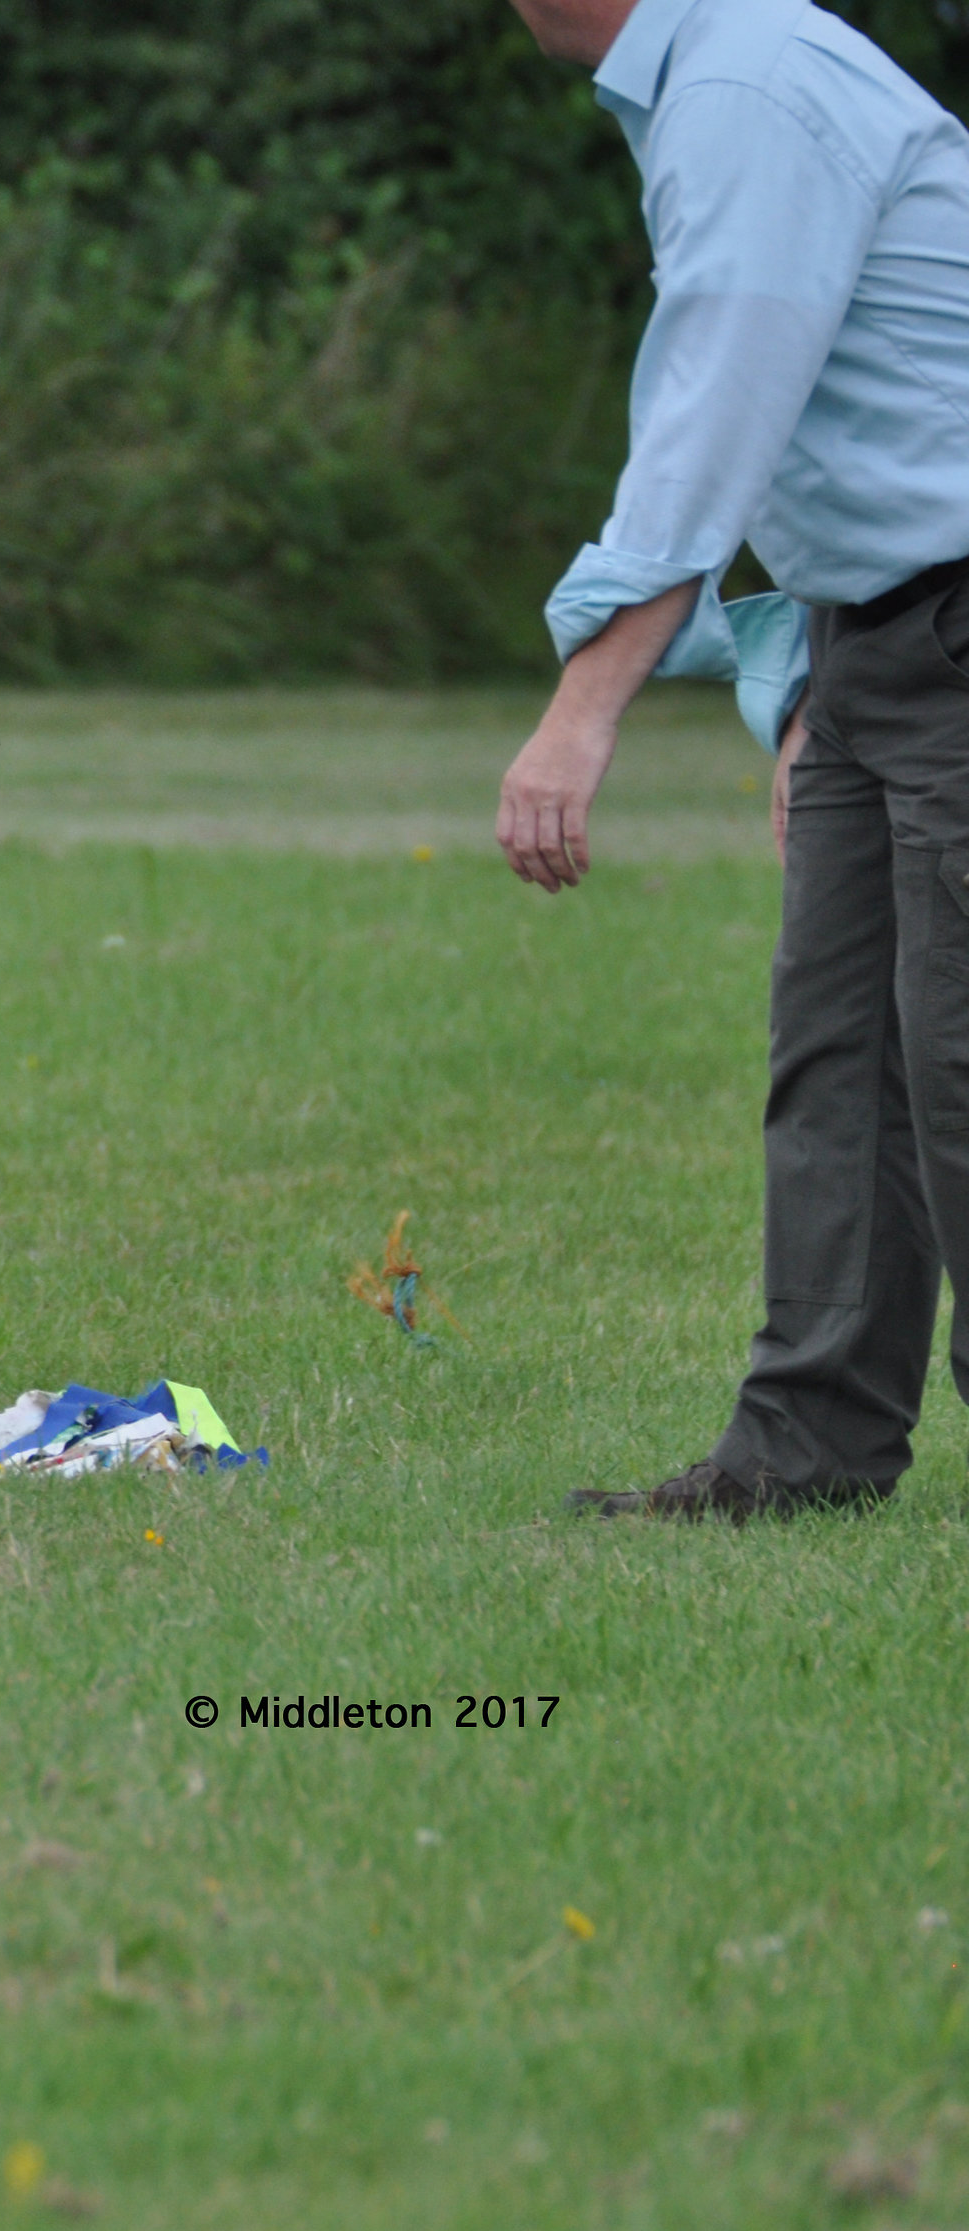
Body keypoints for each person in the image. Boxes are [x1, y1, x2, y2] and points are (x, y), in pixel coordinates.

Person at [498, 0, 969, 1518]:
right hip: (884, 638)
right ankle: (806, 1452)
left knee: (959, 1056)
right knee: (841, 1058)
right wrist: (825, 672)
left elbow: (718, 411)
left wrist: (586, 704)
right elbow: (842, 413)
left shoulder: (752, 86)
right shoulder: (718, 79)